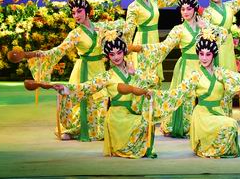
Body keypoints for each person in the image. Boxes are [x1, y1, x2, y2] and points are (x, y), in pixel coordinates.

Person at [44, 31, 185, 159]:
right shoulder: (107, 76)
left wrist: (135, 73)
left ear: (124, 52)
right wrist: (65, 88)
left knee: (148, 121)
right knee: (141, 123)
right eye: (112, 54)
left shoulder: (133, 70)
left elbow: (153, 80)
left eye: (119, 53)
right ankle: (123, 148)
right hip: (117, 116)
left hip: (132, 112)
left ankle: (134, 148)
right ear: (108, 57)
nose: (116, 57)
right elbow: (87, 87)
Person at [27, 0, 123, 141]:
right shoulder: (75, 34)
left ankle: (97, 130)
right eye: (73, 13)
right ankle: (73, 129)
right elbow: (59, 50)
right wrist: (42, 54)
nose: (76, 15)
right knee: (80, 100)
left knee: (102, 99)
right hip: (83, 70)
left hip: (99, 68)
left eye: (79, 11)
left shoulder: (100, 27)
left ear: (87, 11)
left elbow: (121, 26)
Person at [159, 0, 225, 138]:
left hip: (204, 65)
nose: (186, 12)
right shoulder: (178, 29)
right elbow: (163, 48)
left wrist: (206, 27)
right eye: (183, 9)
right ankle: (187, 127)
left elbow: (223, 35)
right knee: (187, 98)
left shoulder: (204, 25)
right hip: (186, 66)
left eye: (189, 8)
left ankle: (204, 125)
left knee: (205, 96)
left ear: (195, 9)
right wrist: (141, 50)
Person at [124, 0, 200, 83]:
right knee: (142, 78)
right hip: (141, 41)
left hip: (155, 40)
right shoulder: (133, 6)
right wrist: (128, 59)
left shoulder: (154, 1)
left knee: (155, 77)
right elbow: (128, 32)